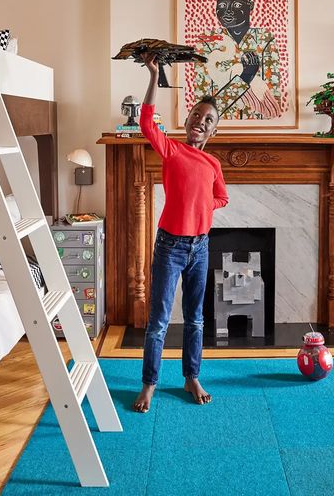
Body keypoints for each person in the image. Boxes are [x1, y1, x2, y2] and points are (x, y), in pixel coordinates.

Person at [133, 53, 229, 413]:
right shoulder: (171, 150)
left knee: (195, 317)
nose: (200, 122)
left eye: (208, 120)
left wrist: (206, 205)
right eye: (195, 116)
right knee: (158, 321)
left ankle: (191, 376)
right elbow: (146, 123)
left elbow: (222, 196)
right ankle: (149, 383)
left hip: (200, 248)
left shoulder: (214, 164)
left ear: (213, 129)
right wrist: (154, 76)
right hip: (170, 247)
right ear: (186, 120)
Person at [193, 0, 282, 120]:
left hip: (260, 127)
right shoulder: (207, 42)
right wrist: (246, 76)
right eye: (222, 5)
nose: (228, 11)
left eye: (237, 5)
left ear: (250, 6)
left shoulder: (265, 39)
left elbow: (274, 108)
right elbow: (201, 106)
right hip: (214, 128)